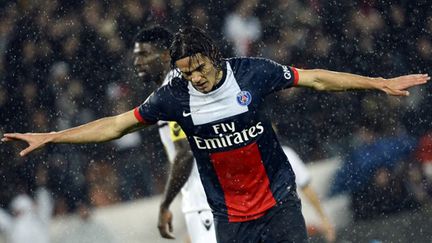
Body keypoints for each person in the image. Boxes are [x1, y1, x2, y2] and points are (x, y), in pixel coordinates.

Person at [1, 26, 429, 242]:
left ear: (214, 56)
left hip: (278, 202)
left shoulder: (253, 73)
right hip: (231, 217)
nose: (196, 79)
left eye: (200, 69)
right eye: (186, 73)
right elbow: (115, 125)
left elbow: (316, 78)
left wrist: (379, 83)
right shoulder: (174, 96)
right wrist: (53, 136)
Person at [132, 26, 217, 242]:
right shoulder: (188, 83)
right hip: (219, 193)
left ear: (165, 55)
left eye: (143, 54)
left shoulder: (171, 91)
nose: (137, 62)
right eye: (136, 56)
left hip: (202, 198)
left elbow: (184, 154)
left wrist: (165, 204)